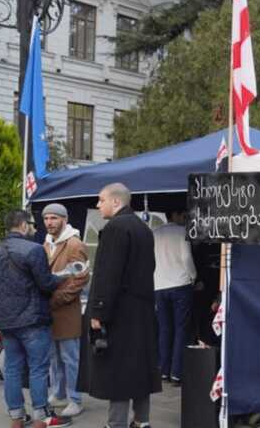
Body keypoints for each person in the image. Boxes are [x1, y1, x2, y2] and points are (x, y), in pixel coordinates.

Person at [77, 183, 162, 428]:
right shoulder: (143, 228)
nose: (97, 204)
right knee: (139, 367)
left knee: (119, 370)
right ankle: (142, 421)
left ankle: (116, 424)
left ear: (116, 202)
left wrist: (98, 312)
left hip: (119, 313)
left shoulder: (115, 227)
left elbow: (108, 274)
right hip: (141, 310)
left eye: (101, 200)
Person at [0, 210, 73, 428]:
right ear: (23, 225)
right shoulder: (33, 249)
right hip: (32, 319)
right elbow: (46, 284)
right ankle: (42, 417)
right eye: (32, 224)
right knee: (38, 368)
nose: (35, 228)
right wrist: (65, 275)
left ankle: (17, 417)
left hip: (5, 321)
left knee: (12, 369)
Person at [42, 203, 89, 417]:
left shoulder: (74, 243)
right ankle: (59, 392)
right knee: (54, 357)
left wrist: (58, 298)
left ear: (64, 219)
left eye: (54, 218)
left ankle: (76, 399)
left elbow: (81, 277)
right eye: (46, 218)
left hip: (67, 309)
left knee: (71, 358)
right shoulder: (47, 243)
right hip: (50, 310)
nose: (49, 222)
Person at [153, 210, 196, 386]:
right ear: (175, 215)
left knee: (164, 329)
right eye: (183, 215)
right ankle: (177, 373)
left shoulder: (155, 233)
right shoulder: (182, 232)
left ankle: (163, 370)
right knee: (181, 329)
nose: (184, 218)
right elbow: (186, 257)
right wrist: (193, 275)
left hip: (159, 285)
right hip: (180, 284)